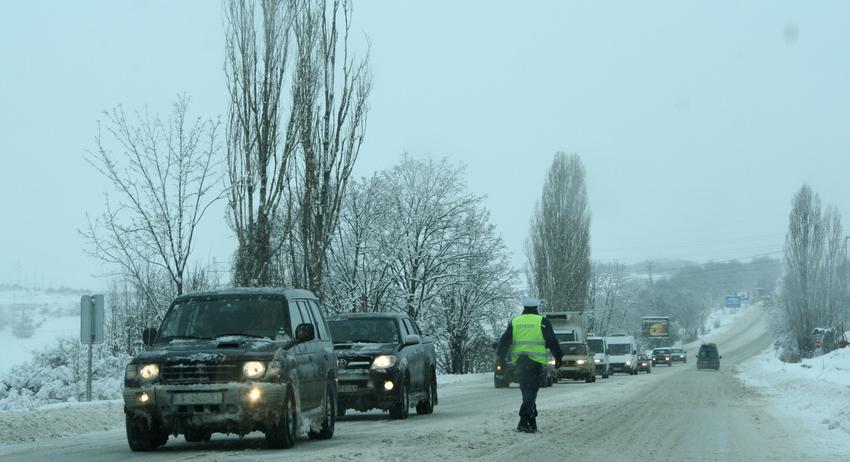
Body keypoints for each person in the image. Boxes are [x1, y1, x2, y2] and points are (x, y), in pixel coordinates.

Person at [496, 296, 563, 433]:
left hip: (520, 362)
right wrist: (558, 357)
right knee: (531, 392)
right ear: (536, 307)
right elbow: (552, 341)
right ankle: (524, 419)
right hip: (535, 362)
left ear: (524, 307)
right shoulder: (542, 322)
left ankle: (532, 422)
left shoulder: (515, 322)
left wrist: (501, 359)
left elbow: (504, 342)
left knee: (527, 392)